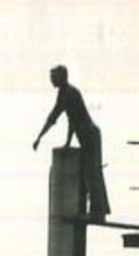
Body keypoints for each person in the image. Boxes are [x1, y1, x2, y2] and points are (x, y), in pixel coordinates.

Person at [33, 65, 111, 219]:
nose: (51, 80)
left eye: (53, 77)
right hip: (88, 135)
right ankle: (99, 211)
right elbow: (66, 118)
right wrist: (43, 138)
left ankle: (98, 212)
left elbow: (63, 118)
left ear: (62, 77)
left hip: (90, 135)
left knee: (92, 173)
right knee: (91, 172)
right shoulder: (65, 92)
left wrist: (42, 138)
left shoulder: (69, 93)